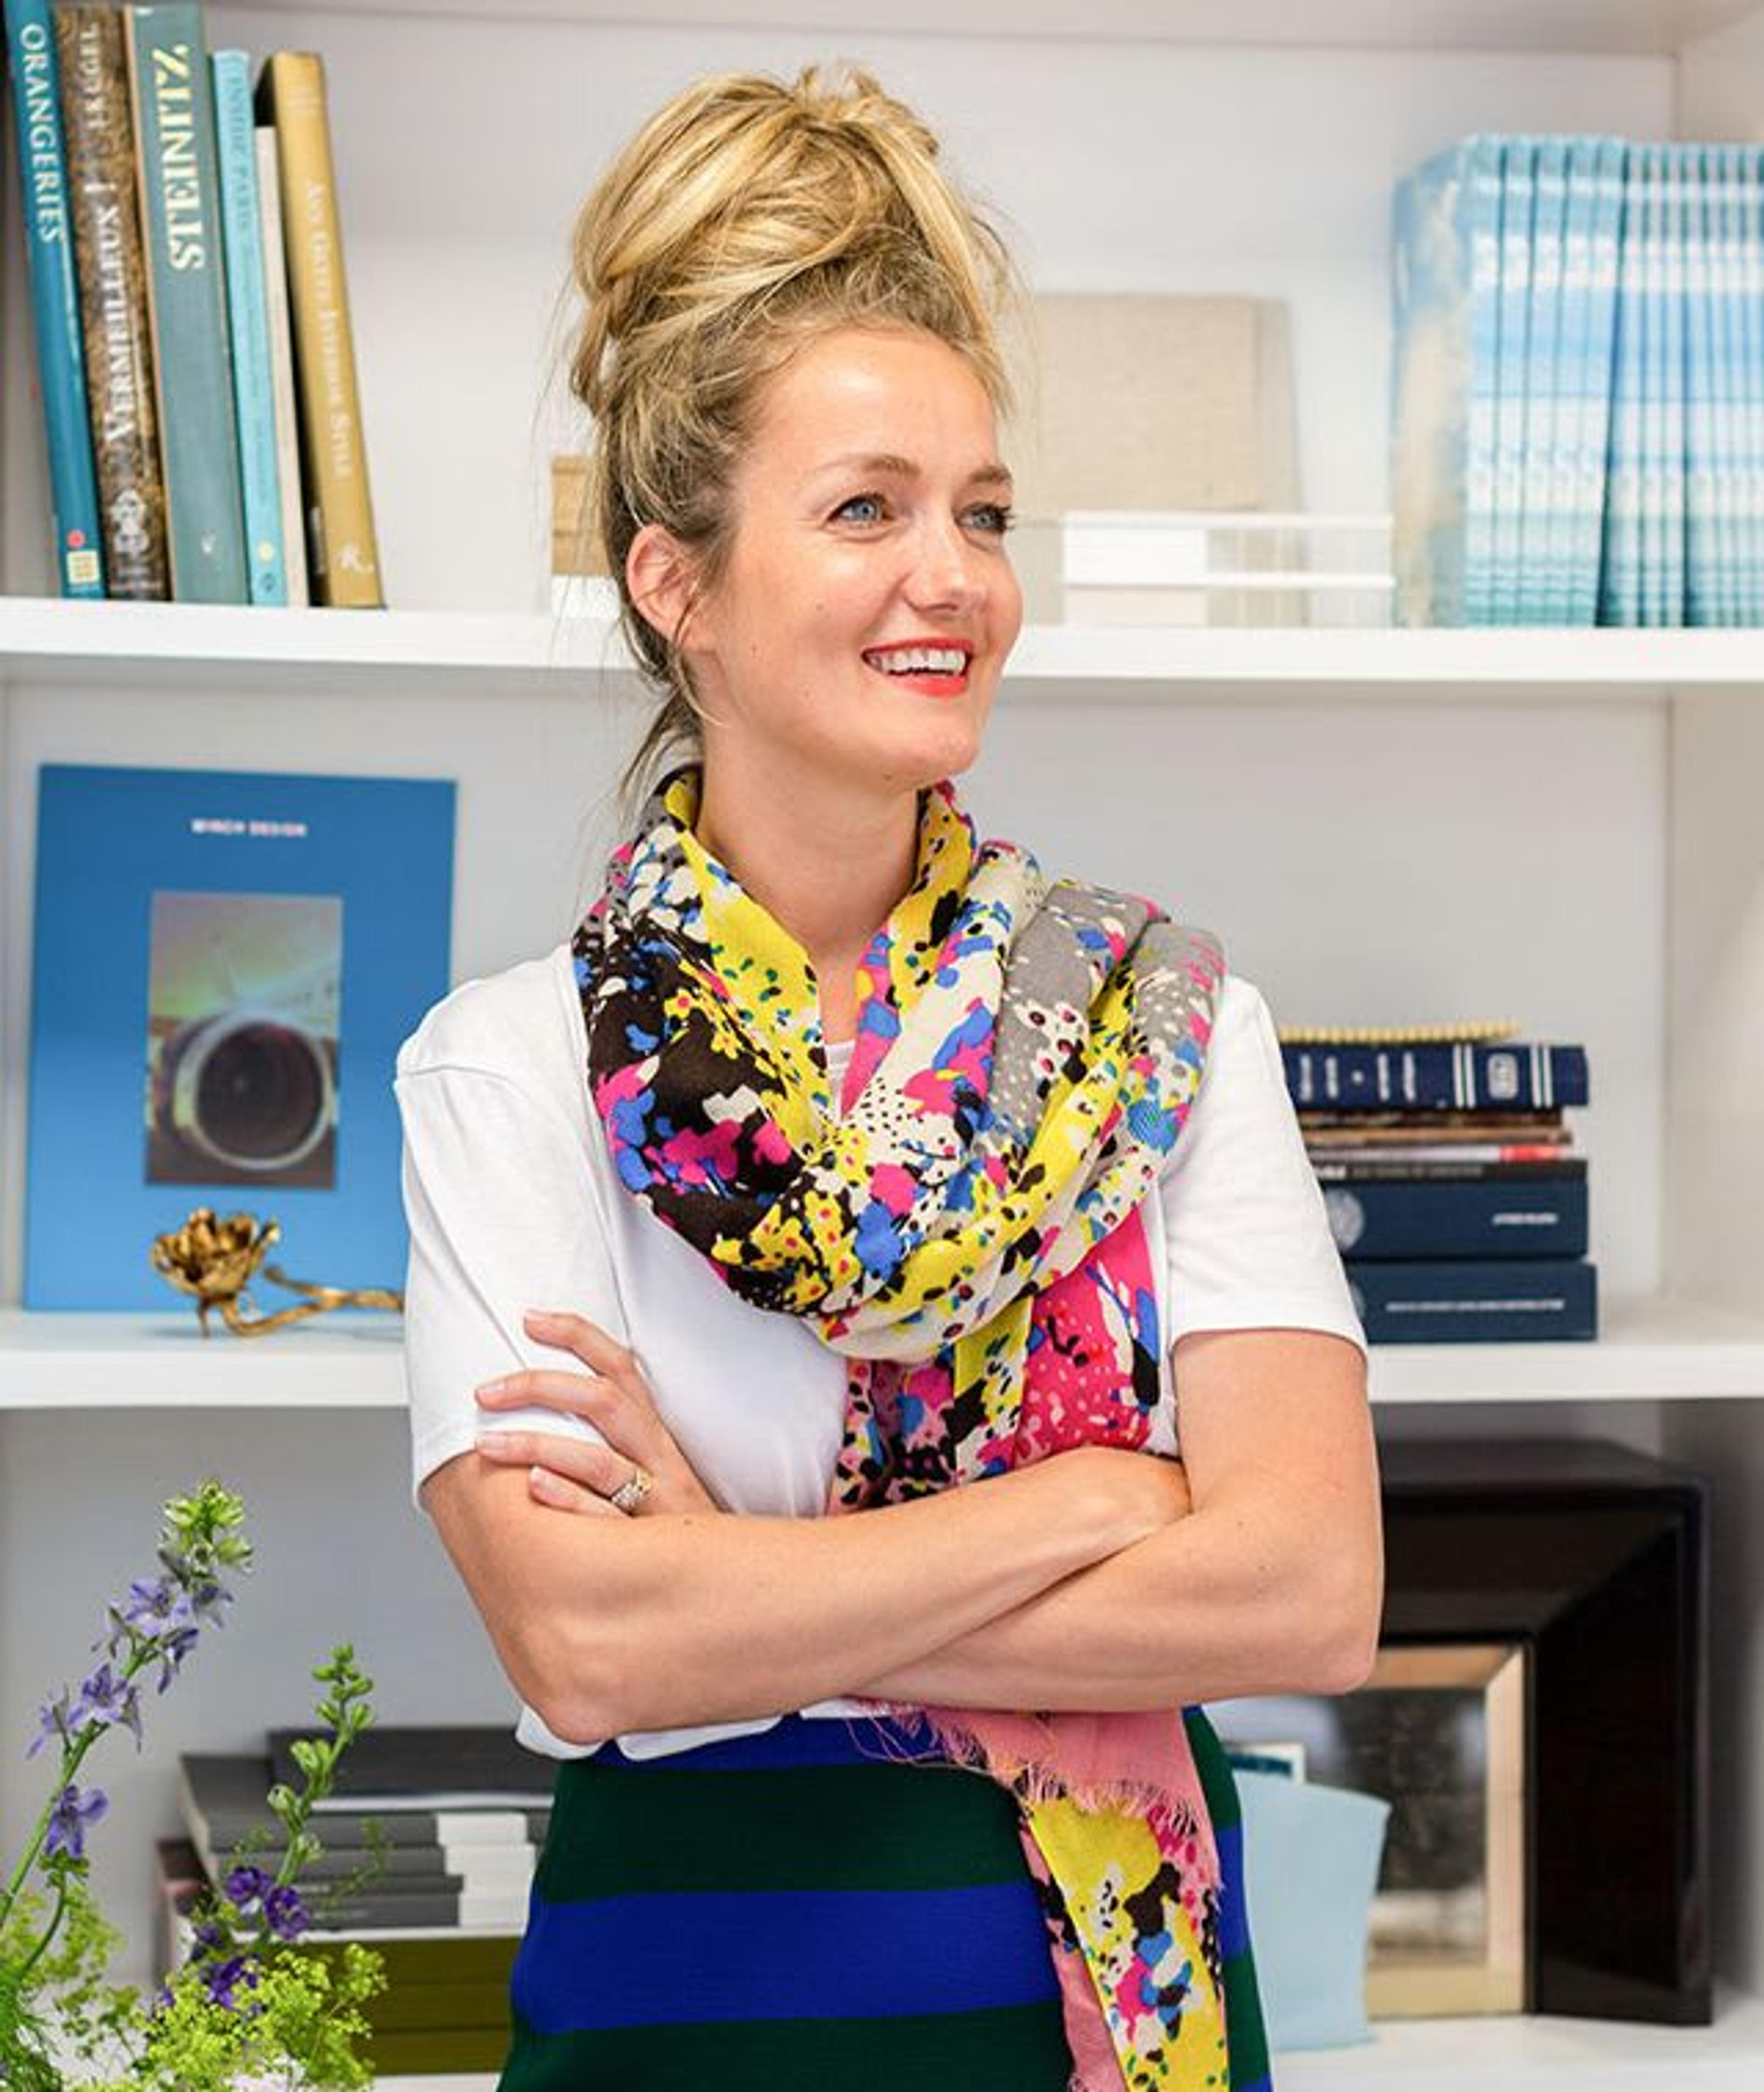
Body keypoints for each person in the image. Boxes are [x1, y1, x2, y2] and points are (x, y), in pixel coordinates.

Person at [396, 63, 1381, 2092]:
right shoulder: (506, 1071)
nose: (958, 577)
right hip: (688, 2008)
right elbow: (586, 1643)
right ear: (676, 583)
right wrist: (1096, 1503)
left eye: (983, 513)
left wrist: (738, 1591)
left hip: (1106, 2014)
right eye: (868, 509)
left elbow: (1309, 1591)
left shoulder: (1167, 1034)